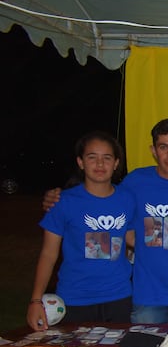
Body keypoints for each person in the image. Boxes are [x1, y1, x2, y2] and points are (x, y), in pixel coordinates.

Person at [45, 119, 168, 323]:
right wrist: (58, 197)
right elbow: (104, 199)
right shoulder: (135, 182)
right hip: (146, 297)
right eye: (163, 147)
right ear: (153, 150)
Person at [27, 131, 135, 330]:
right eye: (92, 157)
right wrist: (35, 301)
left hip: (119, 298)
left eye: (107, 158)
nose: (100, 164)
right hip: (75, 299)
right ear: (81, 162)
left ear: (116, 163)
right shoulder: (63, 202)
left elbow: (133, 238)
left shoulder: (128, 199)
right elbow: (48, 254)